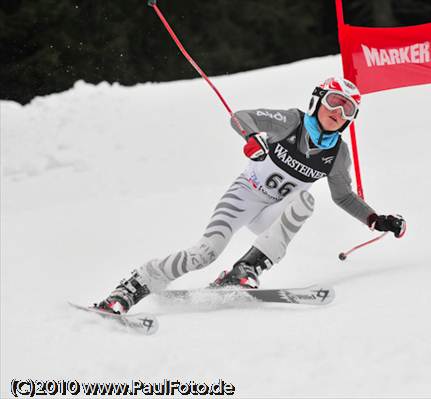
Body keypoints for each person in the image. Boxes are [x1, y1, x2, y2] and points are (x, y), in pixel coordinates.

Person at [95, 77, 406, 314]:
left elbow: (344, 197)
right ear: (318, 100)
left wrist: (375, 220)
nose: (338, 112)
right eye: (335, 101)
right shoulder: (291, 121)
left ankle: (246, 269)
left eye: (347, 108)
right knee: (204, 253)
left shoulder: (337, 154)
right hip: (244, 197)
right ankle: (133, 286)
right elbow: (241, 117)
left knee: (305, 201)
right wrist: (252, 138)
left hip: (274, 214)